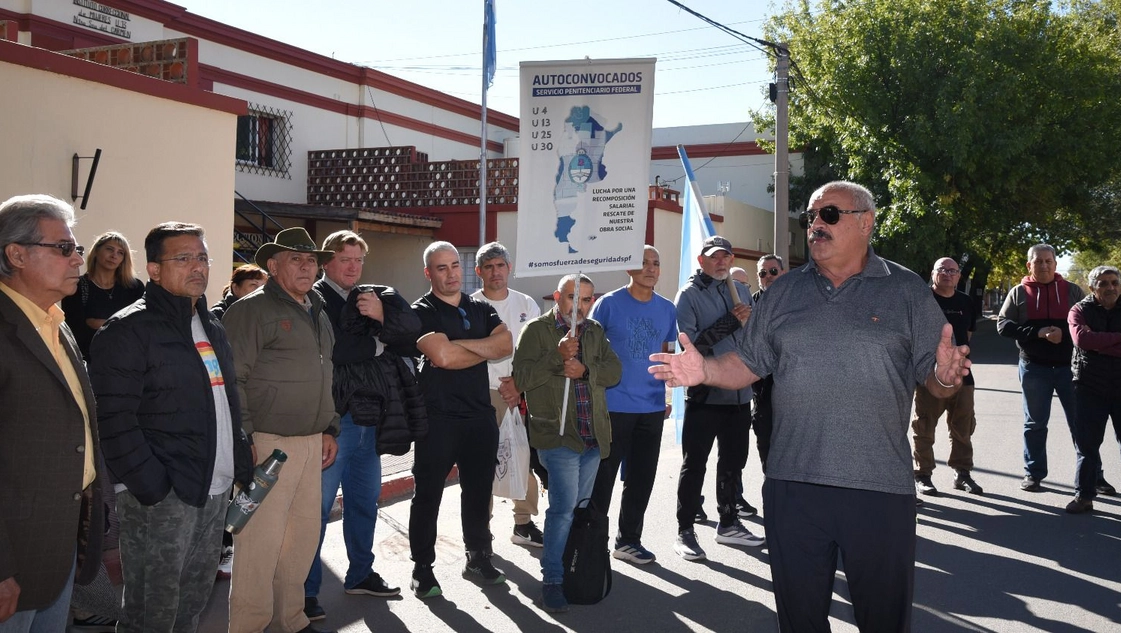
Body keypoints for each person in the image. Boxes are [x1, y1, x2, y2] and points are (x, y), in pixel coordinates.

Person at [650, 181, 971, 631]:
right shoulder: (783, 292)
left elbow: (935, 381)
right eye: (812, 218)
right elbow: (748, 361)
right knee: (800, 621)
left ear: (865, 221)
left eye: (830, 215)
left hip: (879, 488)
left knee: (884, 620)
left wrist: (945, 376)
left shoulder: (906, 290)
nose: (816, 225)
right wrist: (704, 370)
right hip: (793, 486)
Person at [88, 222, 252, 633]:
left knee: (191, 605)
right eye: (183, 258)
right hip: (162, 499)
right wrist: (153, 488)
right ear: (154, 270)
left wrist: (240, 458)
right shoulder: (127, 330)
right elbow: (113, 421)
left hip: (213, 490)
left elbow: (225, 400)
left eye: (202, 257)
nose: (197, 266)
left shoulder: (211, 324)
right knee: (151, 614)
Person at [222, 227, 340, 633]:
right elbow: (231, 379)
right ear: (272, 266)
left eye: (312, 261)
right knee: (259, 543)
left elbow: (327, 375)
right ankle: (249, 626)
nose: (307, 267)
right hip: (267, 445)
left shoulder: (317, 308)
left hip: (311, 442)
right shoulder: (251, 310)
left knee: (301, 540)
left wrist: (330, 428)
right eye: (296, 259)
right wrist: (245, 437)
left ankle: (291, 619)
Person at [303, 230, 422, 621]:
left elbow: (410, 336)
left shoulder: (369, 296)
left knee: (363, 503)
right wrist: (377, 344)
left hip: (371, 418)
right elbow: (333, 351)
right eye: (344, 259)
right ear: (327, 263)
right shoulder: (314, 299)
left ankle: (360, 574)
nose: (353, 267)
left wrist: (382, 317)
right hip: (334, 421)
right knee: (317, 510)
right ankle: (305, 591)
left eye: (358, 260)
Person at [0, 194, 104, 631]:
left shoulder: (56, 323)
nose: (78, 258)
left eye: (76, 248)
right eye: (63, 248)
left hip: (58, 542)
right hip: (14, 557)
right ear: (17, 254)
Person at [406, 241, 513, 599]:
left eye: (455, 266)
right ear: (428, 273)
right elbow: (442, 357)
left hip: (479, 416)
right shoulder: (420, 311)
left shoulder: (480, 306)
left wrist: (458, 346)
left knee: (479, 493)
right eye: (442, 268)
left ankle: (478, 557)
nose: (452, 273)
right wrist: (479, 346)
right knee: (428, 496)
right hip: (438, 419)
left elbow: (505, 346)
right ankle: (422, 568)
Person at [513, 274, 621, 613]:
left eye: (587, 299)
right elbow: (521, 379)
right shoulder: (537, 330)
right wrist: (557, 359)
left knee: (578, 510)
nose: (580, 306)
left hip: (592, 437)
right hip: (558, 437)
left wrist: (586, 370)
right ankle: (553, 581)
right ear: (559, 296)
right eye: (574, 297)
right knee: (561, 511)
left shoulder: (595, 331)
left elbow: (614, 370)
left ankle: (574, 566)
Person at [672, 235, 760, 562]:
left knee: (734, 462)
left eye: (726, 256)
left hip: (739, 394)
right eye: (714, 257)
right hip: (705, 394)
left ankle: (729, 522)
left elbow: (755, 338)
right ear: (701, 260)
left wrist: (753, 325)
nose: (721, 262)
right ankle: (684, 530)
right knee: (694, 465)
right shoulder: (689, 296)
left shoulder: (741, 291)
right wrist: (729, 322)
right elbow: (689, 348)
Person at [997, 245, 1112, 493]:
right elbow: (1003, 325)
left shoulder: (1072, 291)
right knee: (1035, 424)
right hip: (1033, 368)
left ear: (1055, 264)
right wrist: (1037, 333)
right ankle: (1034, 474)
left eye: (1049, 261)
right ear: (1029, 265)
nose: (1044, 266)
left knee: (1081, 424)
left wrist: (1065, 335)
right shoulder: (1018, 294)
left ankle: (1094, 476)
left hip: (1070, 369)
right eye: (1038, 262)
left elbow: (1090, 324)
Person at [587, 246, 676, 565]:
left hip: (651, 406)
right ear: (629, 268)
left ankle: (628, 540)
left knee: (641, 477)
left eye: (657, 263)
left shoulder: (667, 309)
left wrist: (665, 396)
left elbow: (666, 353)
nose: (651, 268)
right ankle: (592, 540)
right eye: (644, 263)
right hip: (613, 406)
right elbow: (590, 350)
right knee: (603, 477)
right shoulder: (608, 305)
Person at [469, 241, 545, 548]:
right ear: (478, 272)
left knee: (522, 459)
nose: (495, 271)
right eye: (488, 267)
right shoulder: (469, 305)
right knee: (482, 464)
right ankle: (480, 529)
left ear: (509, 268)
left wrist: (518, 386)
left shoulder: (527, 303)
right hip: (481, 393)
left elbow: (537, 351)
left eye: (500, 265)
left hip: (520, 392)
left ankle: (523, 524)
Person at [911, 257, 983, 496]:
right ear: (933, 273)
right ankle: (923, 475)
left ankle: (962, 474)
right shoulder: (922, 300)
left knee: (963, 426)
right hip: (929, 374)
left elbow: (968, 333)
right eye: (942, 269)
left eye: (953, 270)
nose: (948, 274)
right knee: (925, 426)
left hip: (962, 375)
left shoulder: (965, 301)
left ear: (959, 276)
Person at [1065, 265, 1121, 513]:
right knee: (1087, 445)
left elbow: (1093, 342)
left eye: (1115, 282)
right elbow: (1083, 340)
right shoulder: (1079, 310)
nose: (1111, 287)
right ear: (1092, 287)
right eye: (1104, 283)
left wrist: (1100, 343)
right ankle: (1084, 497)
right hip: (1089, 386)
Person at [61, 230, 144, 360]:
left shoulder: (134, 287)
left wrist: (100, 323)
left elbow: (141, 328)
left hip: (127, 359)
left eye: (120, 253)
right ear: (96, 252)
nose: (114, 256)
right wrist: (121, 326)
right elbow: (75, 331)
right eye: (109, 249)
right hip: (89, 360)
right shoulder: (77, 286)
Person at [748, 254, 786, 475]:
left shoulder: (799, 303)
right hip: (763, 398)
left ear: (783, 273)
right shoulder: (750, 305)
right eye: (763, 273)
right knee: (769, 464)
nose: (768, 276)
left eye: (773, 271)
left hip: (795, 398)